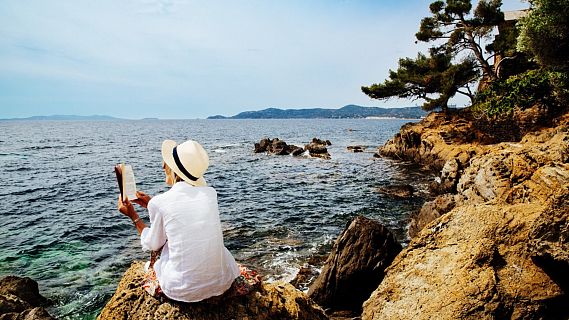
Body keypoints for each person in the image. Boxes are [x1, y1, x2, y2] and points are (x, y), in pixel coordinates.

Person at [117, 139, 242, 302]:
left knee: (161, 247)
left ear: (173, 170)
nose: (163, 166)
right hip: (221, 283)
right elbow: (182, 212)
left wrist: (133, 216)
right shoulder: (210, 193)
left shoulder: (161, 203)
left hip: (182, 290)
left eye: (166, 163)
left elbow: (153, 244)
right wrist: (151, 204)